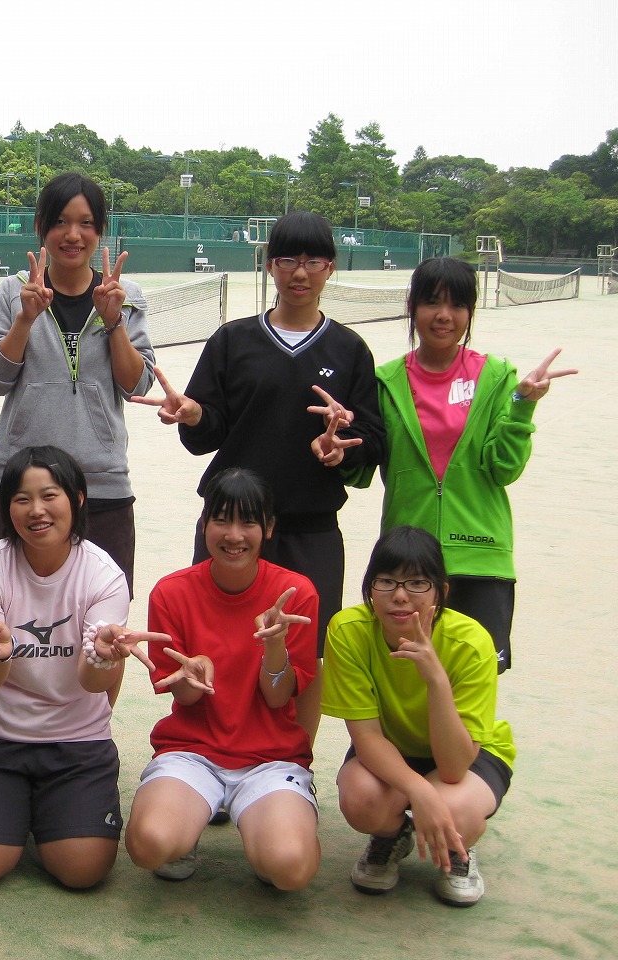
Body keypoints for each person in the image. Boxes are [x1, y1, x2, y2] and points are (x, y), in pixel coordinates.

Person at [131, 210, 383, 740]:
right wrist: (194, 415)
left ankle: (296, 761)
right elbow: (204, 434)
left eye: (313, 261)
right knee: (217, 643)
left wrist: (338, 450)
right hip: (233, 525)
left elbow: (371, 442)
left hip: (310, 528)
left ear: (330, 268)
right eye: (287, 259)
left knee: (307, 650)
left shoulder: (349, 350)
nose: (300, 272)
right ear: (270, 266)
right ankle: (210, 750)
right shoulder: (233, 340)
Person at [0, 445, 165, 889]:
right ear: (7, 508)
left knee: (83, 870)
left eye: (49, 496)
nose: (36, 510)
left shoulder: (103, 575)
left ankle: (42, 809)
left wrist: (101, 655)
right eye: (21, 499)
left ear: (77, 499)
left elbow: (92, 682)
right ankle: (12, 808)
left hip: (75, 739)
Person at [352, 257, 576, 672]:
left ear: (470, 312)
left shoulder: (497, 377)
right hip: (407, 566)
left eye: (457, 305)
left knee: (473, 685)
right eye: (432, 302)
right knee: (404, 680)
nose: (444, 315)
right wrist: (340, 441)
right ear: (412, 307)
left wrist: (522, 406)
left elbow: (504, 469)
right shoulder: (384, 382)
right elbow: (359, 469)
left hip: (481, 559)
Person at [125, 468, 321, 889]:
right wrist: (189, 677)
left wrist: (275, 647)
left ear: (268, 528)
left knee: (288, 868)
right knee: (149, 845)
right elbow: (183, 698)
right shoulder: (171, 593)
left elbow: (278, 699)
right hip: (193, 751)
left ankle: (271, 826)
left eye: (248, 522)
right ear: (204, 524)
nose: (234, 535)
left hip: (270, 758)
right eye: (221, 519)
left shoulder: (295, 594)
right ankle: (188, 829)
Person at [0, 172, 156, 596]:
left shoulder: (123, 294)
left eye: (86, 223)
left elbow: (137, 386)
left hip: (102, 486)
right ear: (41, 226)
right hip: (20, 486)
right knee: (11, 611)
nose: (73, 235)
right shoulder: (14, 292)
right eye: (60, 222)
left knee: (101, 619)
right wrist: (25, 319)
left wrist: (114, 321)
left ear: (100, 230)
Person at [323, 526, 514, 907]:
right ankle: (393, 836)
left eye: (416, 583)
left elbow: (455, 767)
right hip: (392, 746)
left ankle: (459, 849)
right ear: (370, 588)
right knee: (361, 799)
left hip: (468, 753)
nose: (399, 595)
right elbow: (367, 737)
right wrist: (420, 791)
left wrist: (436, 680)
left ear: (440, 592)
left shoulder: (471, 641)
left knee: (456, 809)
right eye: (386, 581)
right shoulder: (348, 631)